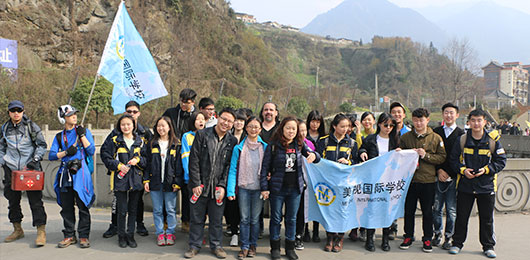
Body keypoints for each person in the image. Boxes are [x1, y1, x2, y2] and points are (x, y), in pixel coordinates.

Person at [448, 109, 506, 259]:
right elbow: (453, 160)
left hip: (486, 186)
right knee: (461, 217)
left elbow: (501, 162)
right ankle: (457, 243)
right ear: (469, 122)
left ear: (485, 122)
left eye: (479, 120)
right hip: (465, 185)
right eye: (473, 120)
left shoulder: (493, 140)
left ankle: (488, 246)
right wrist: (462, 170)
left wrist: (487, 170)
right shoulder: (462, 139)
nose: (476, 123)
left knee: (487, 219)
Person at [261, 116, 320, 260]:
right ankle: (275, 248)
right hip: (277, 188)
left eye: (294, 128)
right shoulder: (274, 145)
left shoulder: (299, 144)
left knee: (291, 219)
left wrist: (314, 155)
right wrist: (264, 187)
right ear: (282, 129)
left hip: (295, 189)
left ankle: (289, 247)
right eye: (288, 128)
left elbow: (315, 156)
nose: (291, 131)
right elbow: (264, 168)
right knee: (275, 219)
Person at [184, 108, 238, 259]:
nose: (225, 123)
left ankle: (216, 246)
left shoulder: (232, 140)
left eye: (229, 121)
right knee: (197, 219)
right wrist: (195, 183)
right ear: (217, 117)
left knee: (216, 219)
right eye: (224, 119)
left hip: (217, 187)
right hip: (200, 185)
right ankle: (194, 246)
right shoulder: (202, 134)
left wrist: (222, 185)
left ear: (233, 124)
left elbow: (229, 166)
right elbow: (193, 160)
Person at [102, 101, 152, 238]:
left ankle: (139, 225)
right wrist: (117, 165)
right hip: (120, 177)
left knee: (137, 203)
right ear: (125, 112)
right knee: (118, 204)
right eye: (129, 111)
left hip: (137, 175)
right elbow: (105, 152)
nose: (132, 114)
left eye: (134, 112)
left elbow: (149, 155)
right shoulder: (116, 134)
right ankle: (115, 226)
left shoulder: (144, 133)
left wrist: (140, 163)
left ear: (139, 113)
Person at [399, 108, 446, 253]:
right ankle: (408, 236)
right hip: (410, 181)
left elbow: (442, 157)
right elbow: (398, 158)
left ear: (427, 120)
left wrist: (426, 156)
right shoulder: (406, 138)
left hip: (428, 181)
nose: (418, 123)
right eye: (416, 120)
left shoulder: (435, 138)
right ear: (412, 120)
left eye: (421, 120)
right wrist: (400, 153)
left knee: (427, 212)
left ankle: (427, 238)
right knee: (409, 211)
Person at [0, 100, 48, 246]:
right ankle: (17, 229)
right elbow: (1, 147)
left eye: (19, 110)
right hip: (11, 168)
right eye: (13, 110)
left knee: (35, 201)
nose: (16, 113)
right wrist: (3, 161)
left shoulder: (31, 127)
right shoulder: (4, 128)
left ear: (23, 111)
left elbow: (42, 145)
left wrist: (35, 159)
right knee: (13, 201)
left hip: (30, 168)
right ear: (8, 112)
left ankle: (41, 231)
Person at [49, 105, 96, 248]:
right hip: (65, 172)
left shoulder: (83, 131)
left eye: (75, 114)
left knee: (83, 205)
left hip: (81, 173)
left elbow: (91, 150)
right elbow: (51, 155)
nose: (74, 116)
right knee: (67, 206)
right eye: (70, 115)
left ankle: (83, 236)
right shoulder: (59, 136)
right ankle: (69, 235)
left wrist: (82, 136)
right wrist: (66, 152)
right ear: (63, 118)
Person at [316, 113, 359, 253]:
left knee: (343, 211)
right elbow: (317, 160)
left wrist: (349, 162)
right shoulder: (324, 141)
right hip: (327, 182)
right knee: (329, 210)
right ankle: (329, 237)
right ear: (334, 126)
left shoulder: (352, 143)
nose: (345, 129)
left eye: (347, 126)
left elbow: (357, 163)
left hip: (345, 183)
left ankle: (340, 238)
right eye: (342, 126)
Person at [358, 112, 401, 252]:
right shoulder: (371, 139)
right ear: (379, 124)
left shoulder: (396, 140)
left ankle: (385, 240)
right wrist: (362, 152)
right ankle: (370, 239)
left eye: (391, 125)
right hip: (373, 180)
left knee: (386, 211)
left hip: (389, 181)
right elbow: (362, 149)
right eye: (385, 125)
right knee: (371, 209)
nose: (388, 128)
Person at [100, 115, 144, 248]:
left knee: (133, 209)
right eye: (123, 124)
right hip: (120, 180)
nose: (126, 127)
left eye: (128, 124)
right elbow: (106, 156)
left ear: (133, 126)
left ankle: (130, 235)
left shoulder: (140, 141)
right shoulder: (114, 141)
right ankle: (121, 236)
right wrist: (118, 165)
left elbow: (147, 159)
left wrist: (139, 160)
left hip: (136, 180)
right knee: (122, 210)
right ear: (119, 126)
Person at [227, 116, 267, 259]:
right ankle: (244, 246)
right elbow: (232, 170)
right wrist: (231, 190)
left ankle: (253, 245)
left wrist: (267, 185)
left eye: (256, 127)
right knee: (244, 219)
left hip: (258, 189)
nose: (253, 129)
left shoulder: (265, 147)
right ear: (246, 128)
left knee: (255, 219)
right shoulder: (239, 148)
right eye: (250, 126)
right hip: (243, 187)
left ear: (260, 129)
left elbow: (269, 169)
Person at [142, 116, 184, 246]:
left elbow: (179, 165)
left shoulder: (176, 144)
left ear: (169, 127)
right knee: (158, 210)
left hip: (170, 183)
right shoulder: (152, 144)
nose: (161, 128)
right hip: (155, 182)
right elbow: (147, 164)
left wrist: (177, 182)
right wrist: (146, 180)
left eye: (163, 126)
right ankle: (160, 233)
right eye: (158, 126)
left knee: (171, 209)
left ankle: (170, 232)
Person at [432, 103, 465, 250]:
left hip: (454, 178)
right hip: (438, 176)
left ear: (457, 115)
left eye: (452, 113)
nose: (449, 115)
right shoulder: (436, 132)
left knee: (451, 209)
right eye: (446, 112)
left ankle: (449, 237)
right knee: (437, 208)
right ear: (442, 114)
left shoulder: (462, 134)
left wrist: (451, 174)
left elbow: (463, 158)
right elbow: (432, 154)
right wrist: (439, 171)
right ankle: (437, 233)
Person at [180, 111, 207, 233]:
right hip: (190, 177)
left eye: (203, 119)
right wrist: (191, 175)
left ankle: (198, 228)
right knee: (188, 202)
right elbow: (185, 157)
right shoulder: (187, 136)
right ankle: (186, 223)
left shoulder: (207, 135)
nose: (201, 121)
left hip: (204, 177)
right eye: (198, 119)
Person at [388, 101, 410, 239]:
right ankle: (390, 227)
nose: (396, 114)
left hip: (404, 172)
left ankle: (404, 231)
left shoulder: (408, 132)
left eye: (399, 112)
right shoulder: (387, 130)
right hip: (389, 171)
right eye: (394, 112)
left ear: (404, 115)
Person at [225, 111, 246, 246]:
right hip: (229, 174)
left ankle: (239, 231)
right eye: (236, 120)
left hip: (244, 176)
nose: (239, 123)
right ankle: (233, 229)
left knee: (241, 206)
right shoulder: (228, 137)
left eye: (241, 120)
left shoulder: (248, 137)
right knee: (230, 204)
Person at [294, 119, 313, 250]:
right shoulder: (289, 144)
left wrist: (314, 155)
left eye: (304, 130)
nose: (302, 133)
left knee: (301, 211)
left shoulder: (308, 145)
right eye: (299, 130)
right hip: (289, 182)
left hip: (303, 183)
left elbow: (316, 157)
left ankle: (298, 236)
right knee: (290, 213)